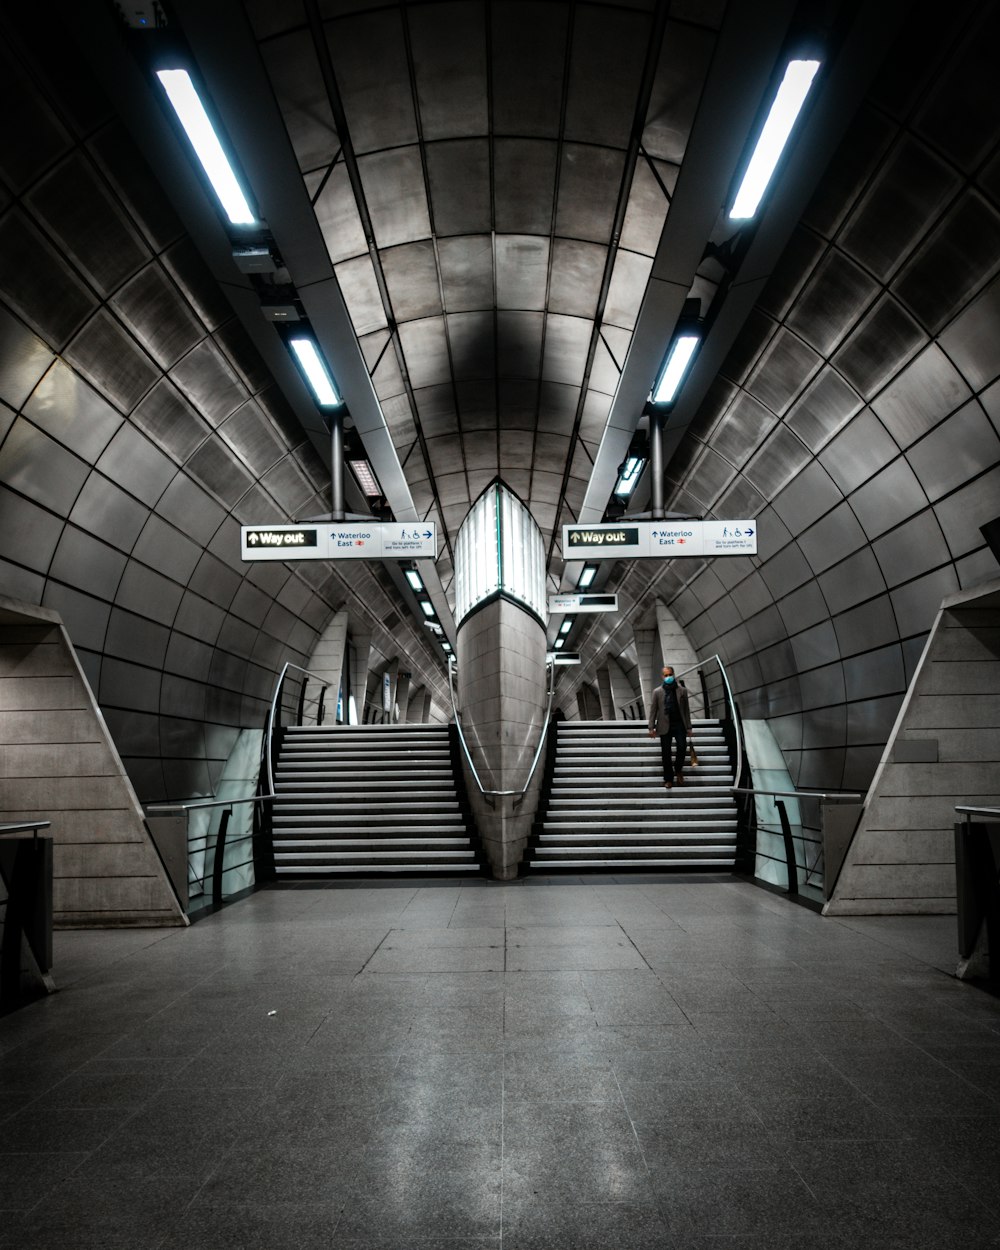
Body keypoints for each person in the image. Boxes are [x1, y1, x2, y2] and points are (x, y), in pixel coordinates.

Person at [647, 665, 692, 789]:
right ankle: (668, 779)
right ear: (662, 676)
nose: (668, 677)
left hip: (679, 724)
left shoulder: (682, 690)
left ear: (673, 674)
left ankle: (678, 770)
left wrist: (689, 727)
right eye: (666, 675)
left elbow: (686, 710)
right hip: (663, 725)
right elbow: (653, 710)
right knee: (666, 753)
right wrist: (651, 727)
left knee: (682, 747)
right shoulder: (657, 692)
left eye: (670, 675)